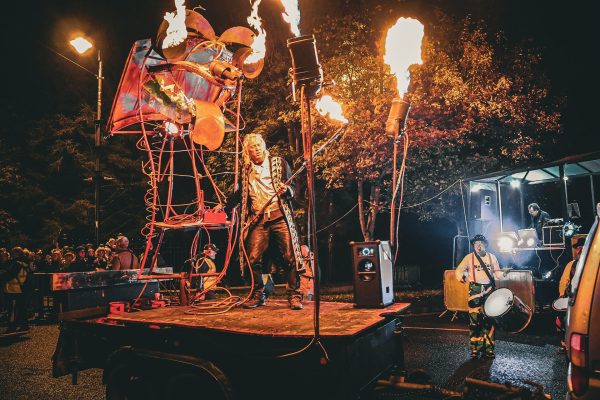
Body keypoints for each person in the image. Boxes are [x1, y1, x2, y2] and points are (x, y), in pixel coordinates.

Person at [224, 134, 304, 310]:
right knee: (252, 257)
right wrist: (224, 207)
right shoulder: (246, 170)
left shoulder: (278, 163)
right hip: (258, 219)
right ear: (248, 151)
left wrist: (287, 190)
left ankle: (294, 295)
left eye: (259, 145)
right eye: (253, 146)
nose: (257, 148)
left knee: (289, 257)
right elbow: (240, 194)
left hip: (279, 216)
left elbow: (295, 187)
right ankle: (259, 293)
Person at [455, 234, 505, 359]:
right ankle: (475, 349)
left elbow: (497, 274)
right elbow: (459, 271)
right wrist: (462, 277)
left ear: (485, 244)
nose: (478, 245)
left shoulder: (492, 257)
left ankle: (489, 349)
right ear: (473, 245)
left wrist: (503, 274)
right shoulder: (468, 257)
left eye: (481, 243)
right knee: (474, 321)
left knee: (489, 320)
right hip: (475, 290)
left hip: (489, 291)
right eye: (476, 243)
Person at [555, 236, 586, 353]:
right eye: (578, 248)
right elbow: (564, 281)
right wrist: (562, 295)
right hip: (571, 298)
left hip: (585, 300)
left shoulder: (592, 265)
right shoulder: (571, 264)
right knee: (559, 320)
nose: (579, 250)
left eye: (582, 247)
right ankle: (564, 344)